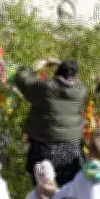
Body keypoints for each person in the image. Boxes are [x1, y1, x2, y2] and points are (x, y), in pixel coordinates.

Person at [15, 59, 88, 187]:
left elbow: (21, 79)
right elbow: (70, 78)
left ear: (58, 72)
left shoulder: (45, 88)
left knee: (43, 190)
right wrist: (62, 65)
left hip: (44, 147)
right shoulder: (81, 90)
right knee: (69, 191)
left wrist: (34, 67)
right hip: (72, 148)